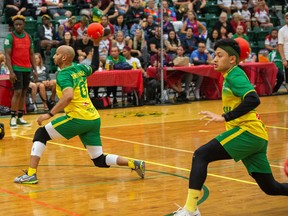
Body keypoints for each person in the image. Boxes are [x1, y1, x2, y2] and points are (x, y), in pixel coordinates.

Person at [173, 38, 288, 216]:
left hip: (249, 132)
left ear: (232, 59)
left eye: (220, 55)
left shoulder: (235, 74)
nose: (214, 59)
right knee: (271, 187)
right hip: (255, 136)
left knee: (200, 155)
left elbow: (253, 99)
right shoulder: (230, 75)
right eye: (214, 55)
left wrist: (225, 117)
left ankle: (190, 210)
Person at [14, 35, 145, 185]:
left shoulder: (63, 74)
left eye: (57, 54)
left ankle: (31, 175)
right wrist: (96, 45)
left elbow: (68, 95)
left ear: (63, 58)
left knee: (41, 134)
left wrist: (49, 114)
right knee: (99, 159)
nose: (54, 56)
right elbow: (95, 65)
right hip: (93, 118)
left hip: (78, 117)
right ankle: (134, 163)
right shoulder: (80, 68)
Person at [4, 15, 37, 129]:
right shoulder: (10, 37)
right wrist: (11, 71)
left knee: (24, 92)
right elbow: (7, 55)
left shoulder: (28, 37)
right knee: (17, 92)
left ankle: (20, 117)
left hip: (27, 69)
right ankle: (13, 117)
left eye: (20, 24)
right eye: (16, 25)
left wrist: (35, 69)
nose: (18, 26)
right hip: (16, 69)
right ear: (13, 25)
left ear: (24, 25)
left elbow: (32, 54)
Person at [277, 12, 288, 84]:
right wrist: (283, 59)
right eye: (287, 18)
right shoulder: (282, 30)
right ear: (285, 19)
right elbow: (280, 45)